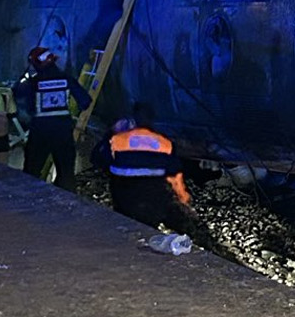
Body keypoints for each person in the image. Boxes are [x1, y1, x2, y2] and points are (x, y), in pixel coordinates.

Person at [93, 103, 201, 235]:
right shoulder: (164, 143)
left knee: (126, 224)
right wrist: (183, 197)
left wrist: (110, 133)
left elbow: (97, 159)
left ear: (133, 119)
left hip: (124, 193)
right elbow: (175, 174)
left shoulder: (117, 139)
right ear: (152, 120)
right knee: (150, 227)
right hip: (154, 194)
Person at [13, 46, 91, 189]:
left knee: (32, 170)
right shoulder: (67, 79)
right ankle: (67, 200)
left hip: (40, 131)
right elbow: (85, 102)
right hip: (63, 131)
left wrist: (23, 80)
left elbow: (19, 98)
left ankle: (30, 198)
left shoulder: (33, 82)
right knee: (66, 173)